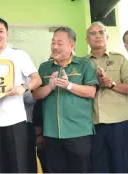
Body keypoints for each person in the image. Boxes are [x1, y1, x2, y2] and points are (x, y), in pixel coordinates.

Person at [0, 17, 42, 173]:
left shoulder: (19, 55)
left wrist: (23, 87)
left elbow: (36, 79)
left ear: (7, 34)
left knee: (18, 167)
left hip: (15, 120)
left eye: (1, 31)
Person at [33, 26, 99, 173]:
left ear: (72, 45)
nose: (55, 46)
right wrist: (49, 87)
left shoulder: (84, 65)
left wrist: (69, 85)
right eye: (53, 42)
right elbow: (35, 95)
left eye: (60, 43)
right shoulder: (44, 68)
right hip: (51, 134)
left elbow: (91, 92)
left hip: (79, 132)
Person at [86, 22, 128, 173]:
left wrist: (111, 84)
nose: (97, 35)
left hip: (120, 123)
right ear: (87, 40)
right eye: (92, 33)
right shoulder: (82, 63)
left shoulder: (120, 59)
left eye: (101, 32)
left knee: (122, 166)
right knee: (99, 167)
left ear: (107, 36)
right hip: (93, 124)